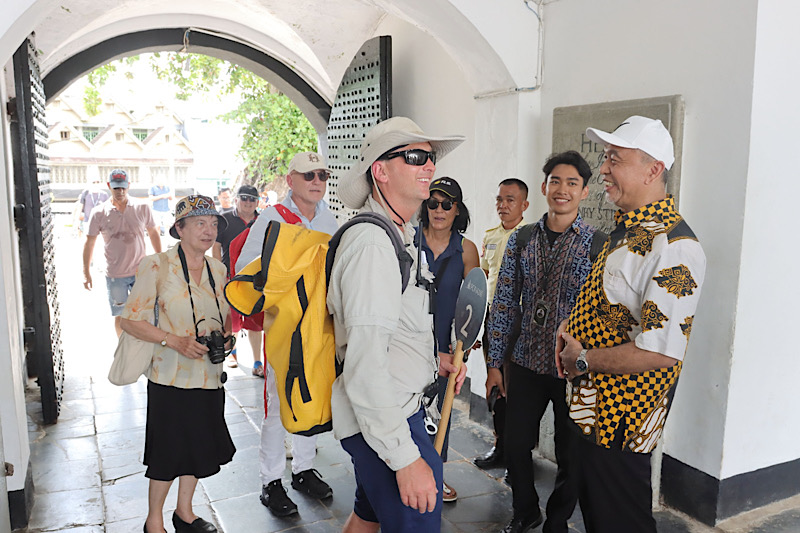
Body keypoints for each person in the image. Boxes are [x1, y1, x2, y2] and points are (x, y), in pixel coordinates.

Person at [555, 117, 706, 532]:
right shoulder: (628, 229)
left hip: (621, 423)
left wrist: (582, 358)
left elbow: (658, 352)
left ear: (652, 169)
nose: (603, 169)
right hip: (591, 413)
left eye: (614, 160)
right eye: (606, 158)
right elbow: (610, 303)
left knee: (621, 522)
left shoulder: (675, 248)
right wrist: (569, 325)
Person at [328, 117, 467, 532]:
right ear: (381, 171)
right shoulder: (373, 244)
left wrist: (432, 362)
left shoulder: (399, 234)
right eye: (415, 156)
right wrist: (405, 458)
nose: (429, 166)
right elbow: (365, 366)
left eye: (431, 158)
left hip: (390, 411)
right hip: (388, 422)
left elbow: (393, 332)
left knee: (365, 522)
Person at [487, 152, 601, 533]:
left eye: (571, 183)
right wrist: (494, 363)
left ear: (584, 191)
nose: (562, 190)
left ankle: (557, 521)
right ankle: (525, 509)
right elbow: (504, 300)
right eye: (556, 181)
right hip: (525, 361)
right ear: (544, 187)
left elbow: (605, 312)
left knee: (572, 454)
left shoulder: (598, 246)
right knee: (516, 444)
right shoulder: (522, 239)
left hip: (572, 370)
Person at [120, 195, 236, 533]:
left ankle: (185, 512)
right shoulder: (157, 265)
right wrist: (174, 340)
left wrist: (226, 339)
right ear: (179, 229)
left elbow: (224, 320)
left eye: (214, 224)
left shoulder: (219, 269)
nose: (209, 230)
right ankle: (153, 519)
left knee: (199, 448)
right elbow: (130, 321)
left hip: (209, 377)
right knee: (167, 453)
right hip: (170, 377)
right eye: (200, 223)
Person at [236, 151, 339, 517]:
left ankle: (304, 469)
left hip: (321, 325)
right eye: (309, 174)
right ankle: (271, 480)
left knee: (310, 394)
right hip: (285, 326)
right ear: (291, 179)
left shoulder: (330, 217)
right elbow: (245, 267)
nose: (317, 181)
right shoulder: (271, 218)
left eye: (322, 175)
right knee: (278, 404)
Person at [415, 177, 479, 503]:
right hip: (411, 345)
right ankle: (406, 477)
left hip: (447, 347)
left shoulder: (467, 249)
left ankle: (435, 477)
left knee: (441, 414)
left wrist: (465, 345)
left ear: (457, 210)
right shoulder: (408, 241)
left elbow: (473, 300)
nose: (439, 210)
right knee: (408, 412)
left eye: (446, 203)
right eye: (433, 203)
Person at [473, 178, 529, 471]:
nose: (503, 205)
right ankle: (500, 444)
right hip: (493, 319)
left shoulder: (530, 238)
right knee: (495, 385)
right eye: (499, 200)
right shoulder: (490, 235)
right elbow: (483, 277)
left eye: (510, 200)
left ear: (524, 205)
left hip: (519, 323)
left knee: (516, 389)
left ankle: (518, 454)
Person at [82, 169, 161, 336]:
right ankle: (122, 348)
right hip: (115, 275)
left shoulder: (142, 207)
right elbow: (90, 242)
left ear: (129, 186)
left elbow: (153, 232)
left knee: (146, 313)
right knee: (120, 316)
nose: (121, 192)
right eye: (116, 188)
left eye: (123, 188)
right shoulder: (99, 213)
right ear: (109, 186)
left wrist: (160, 258)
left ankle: (148, 347)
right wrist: (86, 272)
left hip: (141, 271)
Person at [212, 184, 263, 375]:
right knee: (231, 320)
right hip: (230, 277)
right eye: (244, 198)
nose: (248, 202)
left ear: (257, 202)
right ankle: (232, 353)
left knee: (255, 322)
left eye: (252, 199)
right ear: (236, 200)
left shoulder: (264, 220)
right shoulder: (225, 219)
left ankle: (258, 362)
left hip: (255, 280)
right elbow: (216, 246)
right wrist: (219, 274)